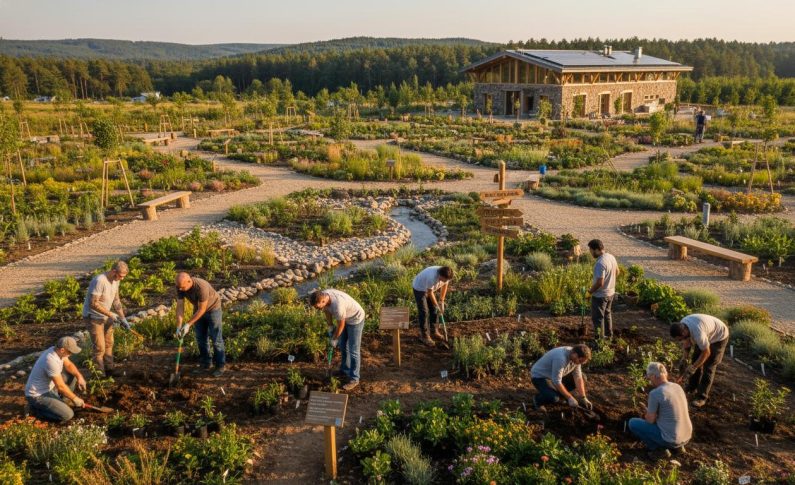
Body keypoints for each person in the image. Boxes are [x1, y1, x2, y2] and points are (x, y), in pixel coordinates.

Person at [628, 362, 692, 460]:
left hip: (671, 439)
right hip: (686, 435)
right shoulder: (677, 387)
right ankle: (679, 448)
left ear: (653, 376)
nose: (649, 381)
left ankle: (659, 450)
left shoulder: (656, 393)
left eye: (649, 378)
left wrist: (647, 413)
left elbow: (650, 421)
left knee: (633, 423)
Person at [310, 289, 366, 392]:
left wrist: (334, 338)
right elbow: (326, 310)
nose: (317, 309)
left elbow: (341, 325)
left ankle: (354, 378)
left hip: (355, 319)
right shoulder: (324, 296)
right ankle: (344, 369)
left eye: (317, 307)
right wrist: (330, 326)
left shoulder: (338, 306)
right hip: (345, 317)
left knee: (353, 350)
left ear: (323, 300)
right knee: (342, 345)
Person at [670, 314, 730, 407]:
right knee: (695, 359)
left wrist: (693, 367)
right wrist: (684, 358)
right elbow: (686, 343)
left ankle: (702, 397)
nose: (681, 341)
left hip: (719, 336)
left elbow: (706, 352)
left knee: (708, 366)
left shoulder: (698, 334)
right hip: (706, 332)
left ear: (683, 333)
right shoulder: (683, 326)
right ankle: (691, 387)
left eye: (680, 339)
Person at [82, 260, 130, 377]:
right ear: (114, 271)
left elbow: (116, 301)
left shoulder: (116, 281)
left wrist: (123, 318)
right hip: (93, 317)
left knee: (109, 343)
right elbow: (94, 303)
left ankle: (110, 370)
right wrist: (111, 314)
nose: (122, 279)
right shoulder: (99, 281)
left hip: (106, 316)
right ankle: (100, 375)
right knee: (100, 348)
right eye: (120, 276)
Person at [24, 337, 88, 423]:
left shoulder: (57, 351)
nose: (71, 354)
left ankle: (63, 402)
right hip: (38, 395)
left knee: (72, 375)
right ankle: (34, 410)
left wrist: (79, 376)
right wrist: (75, 398)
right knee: (68, 415)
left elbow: (68, 364)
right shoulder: (50, 360)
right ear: (62, 350)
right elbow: (60, 386)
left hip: (48, 387)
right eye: (70, 352)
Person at [174, 272, 226, 377]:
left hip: (213, 309)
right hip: (198, 309)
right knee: (201, 338)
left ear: (189, 281)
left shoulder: (201, 286)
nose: (180, 290)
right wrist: (179, 326)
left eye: (182, 287)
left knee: (216, 339)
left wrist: (188, 324)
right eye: (179, 287)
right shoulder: (180, 286)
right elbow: (180, 306)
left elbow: (203, 309)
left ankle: (220, 366)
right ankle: (206, 363)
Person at [530, 344, 593, 411]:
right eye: (580, 361)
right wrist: (570, 398)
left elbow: (578, 377)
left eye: (581, 362)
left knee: (583, 377)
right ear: (575, 354)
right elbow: (557, 381)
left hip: (554, 376)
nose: (579, 363)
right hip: (540, 377)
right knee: (553, 398)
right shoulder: (560, 358)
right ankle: (538, 400)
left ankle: (560, 394)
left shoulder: (575, 356)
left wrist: (583, 397)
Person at [412, 265, 453, 346]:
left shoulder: (447, 274)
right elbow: (429, 292)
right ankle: (424, 336)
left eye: (446, 280)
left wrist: (441, 301)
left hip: (429, 289)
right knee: (424, 312)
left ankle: (434, 331)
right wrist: (437, 306)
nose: (445, 281)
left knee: (434, 309)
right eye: (444, 279)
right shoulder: (432, 277)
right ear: (440, 276)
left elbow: (445, 285)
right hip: (419, 288)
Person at [587, 239, 618, 339]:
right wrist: (610, 282)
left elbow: (600, 282)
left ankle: (599, 340)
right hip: (610, 293)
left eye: (591, 250)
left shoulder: (600, 263)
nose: (590, 253)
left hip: (600, 296)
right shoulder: (611, 257)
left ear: (596, 250)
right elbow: (618, 272)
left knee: (598, 318)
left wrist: (589, 292)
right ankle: (609, 336)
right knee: (607, 315)